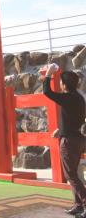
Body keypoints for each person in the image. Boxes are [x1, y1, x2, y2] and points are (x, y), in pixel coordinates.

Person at [42, 65, 86, 217]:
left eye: (61, 82)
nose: (60, 84)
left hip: (69, 141)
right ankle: (79, 206)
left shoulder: (68, 97)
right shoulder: (79, 98)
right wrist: (60, 130)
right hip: (79, 139)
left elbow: (47, 91)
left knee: (71, 176)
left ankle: (85, 204)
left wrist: (48, 74)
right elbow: (73, 119)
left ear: (65, 84)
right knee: (73, 174)